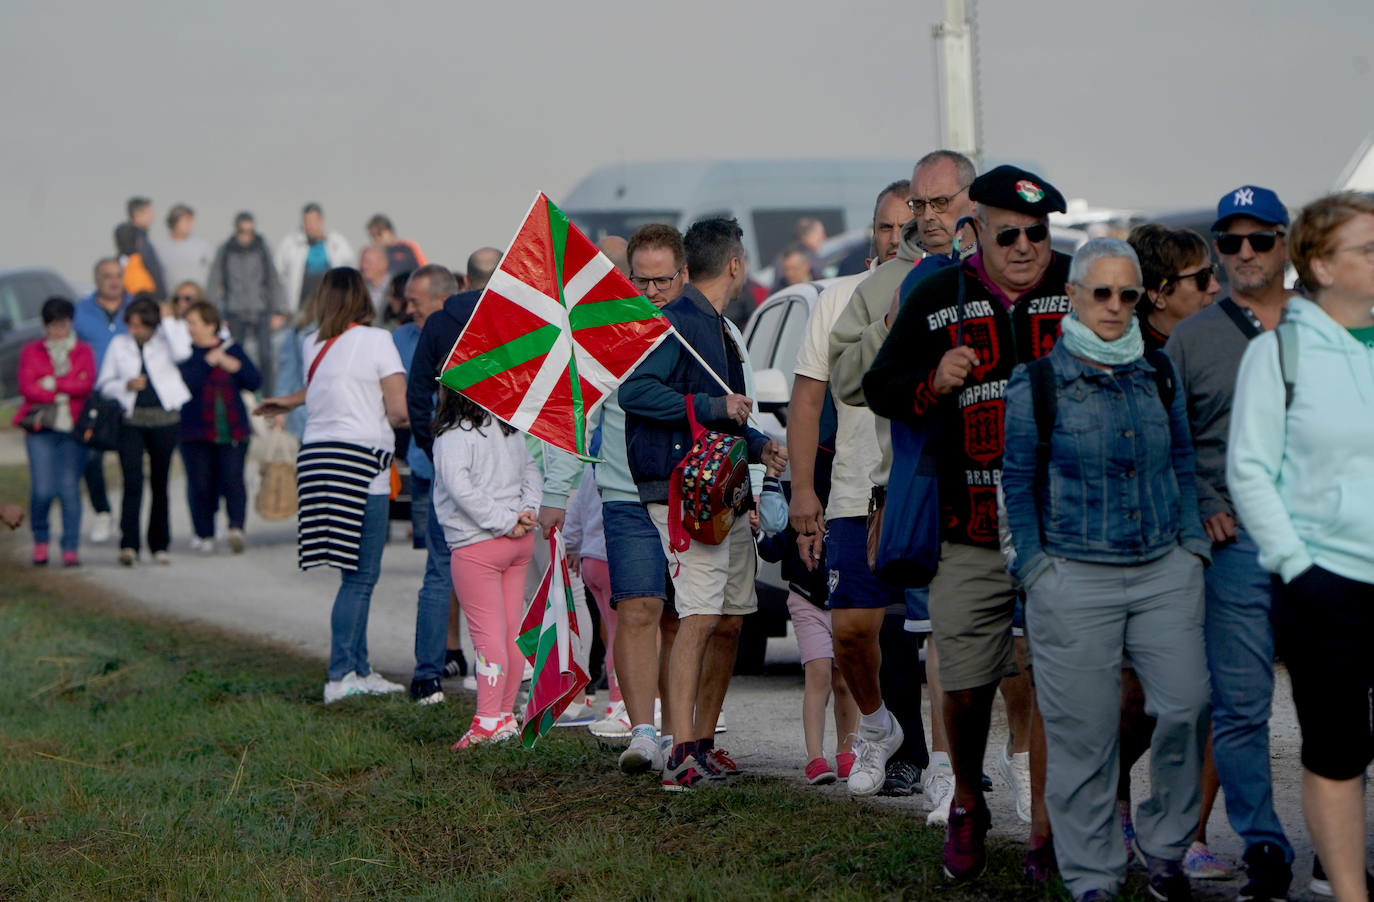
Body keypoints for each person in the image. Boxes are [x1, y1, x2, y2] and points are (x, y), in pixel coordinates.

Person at [863, 165, 1070, 882]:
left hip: (1060, 531)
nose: (1024, 247)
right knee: (969, 684)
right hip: (966, 525)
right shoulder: (936, 293)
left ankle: (1047, 830)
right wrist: (932, 381)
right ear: (974, 230)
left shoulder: (1075, 288)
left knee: (1048, 681)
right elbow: (878, 387)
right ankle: (968, 802)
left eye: (1037, 234)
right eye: (1008, 233)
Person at [1000, 238, 1212, 902]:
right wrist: (1035, 570)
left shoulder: (1160, 373)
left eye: (1128, 294)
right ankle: (1094, 877)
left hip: (1163, 571)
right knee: (1082, 736)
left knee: (1187, 704)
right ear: (1075, 297)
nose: (1115, 307)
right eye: (1102, 293)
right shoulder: (1034, 384)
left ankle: (1167, 848)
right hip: (1072, 577)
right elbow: (1016, 485)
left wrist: (1190, 548)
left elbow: (1182, 463)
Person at [1229, 192, 1374, 902]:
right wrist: (1298, 567)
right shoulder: (1279, 353)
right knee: (1338, 750)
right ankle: (1349, 892)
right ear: (1321, 263)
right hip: (1326, 584)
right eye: (1368, 250)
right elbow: (1249, 469)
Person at [619, 217, 787, 791]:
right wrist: (712, 406)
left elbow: (732, 413)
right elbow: (635, 392)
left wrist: (764, 447)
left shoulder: (719, 327)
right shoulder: (674, 323)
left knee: (733, 620)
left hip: (727, 491)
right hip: (682, 495)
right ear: (736, 265)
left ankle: (705, 742)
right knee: (697, 617)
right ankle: (680, 754)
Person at [1164, 185, 1296, 902]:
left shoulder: (1331, 323)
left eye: (1260, 239)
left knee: (1335, 706)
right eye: (1231, 241)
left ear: (1286, 243)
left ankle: (1339, 843)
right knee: (1241, 705)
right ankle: (1267, 844)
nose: (1245, 253)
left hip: (1328, 545)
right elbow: (1172, 440)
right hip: (1236, 544)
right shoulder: (1192, 338)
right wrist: (1204, 502)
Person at [790, 178, 933, 799]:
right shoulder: (839, 298)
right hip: (855, 492)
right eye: (886, 225)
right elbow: (808, 398)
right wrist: (802, 490)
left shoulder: (951, 291)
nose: (898, 235)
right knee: (854, 633)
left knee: (934, 637)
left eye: (912, 222)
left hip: (928, 489)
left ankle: (946, 768)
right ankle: (878, 729)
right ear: (874, 234)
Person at [1126, 222, 1229, 880]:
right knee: (1132, 703)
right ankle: (1107, 814)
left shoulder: (1221, 343)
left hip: (1210, 549)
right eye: (1200, 279)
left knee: (1212, 696)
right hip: (1137, 555)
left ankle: (1188, 834)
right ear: (1160, 294)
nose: (1215, 285)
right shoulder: (1123, 355)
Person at [255, 267, 408, 704]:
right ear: (363, 298)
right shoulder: (379, 341)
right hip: (360, 462)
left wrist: (287, 400)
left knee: (350, 573)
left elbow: (330, 386)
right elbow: (397, 412)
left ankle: (359, 668)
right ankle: (340, 675)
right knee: (361, 578)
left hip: (317, 458)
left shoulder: (313, 343)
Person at [599, 224, 688, 773]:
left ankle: (682, 731)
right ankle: (643, 731)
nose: (652, 291)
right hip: (623, 489)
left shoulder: (706, 331)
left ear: (682, 274)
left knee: (680, 617)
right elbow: (572, 405)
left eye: (662, 280)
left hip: (690, 493)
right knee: (637, 608)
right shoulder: (605, 335)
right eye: (641, 280)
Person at [404, 248, 501, 702]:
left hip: (451, 453)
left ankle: (426, 676)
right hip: (504, 457)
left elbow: (417, 387)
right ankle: (494, 672)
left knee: (441, 568)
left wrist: (432, 442)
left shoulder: (441, 323)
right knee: (504, 570)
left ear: (465, 280)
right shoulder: (514, 319)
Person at [430, 384, 541, 747]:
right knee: (509, 631)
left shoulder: (452, 437)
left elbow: (461, 492)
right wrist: (526, 513)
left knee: (486, 634)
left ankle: (487, 720)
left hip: (477, 545)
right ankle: (506, 717)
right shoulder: (508, 429)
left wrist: (503, 520)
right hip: (517, 542)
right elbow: (532, 473)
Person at [758, 453, 858, 784]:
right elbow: (773, 549)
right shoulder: (793, 494)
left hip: (845, 598)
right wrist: (763, 531)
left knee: (846, 681)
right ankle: (815, 757)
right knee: (819, 677)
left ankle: (848, 754)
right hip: (806, 598)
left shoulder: (849, 492)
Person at [96, 295, 191, 566]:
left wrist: (169, 319)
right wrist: (125, 385)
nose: (135, 332)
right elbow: (104, 383)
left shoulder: (166, 340)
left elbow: (183, 352)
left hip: (165, 420)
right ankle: (129, 544)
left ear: (152, 325)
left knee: (160, 483)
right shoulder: (119, 344)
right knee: (132, 482)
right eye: (132, 326)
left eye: (141, 327)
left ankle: (159, 544)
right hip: (131, 421)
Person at [14, 297, 95, 567]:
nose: (58, 331)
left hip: (72, 428)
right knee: (43, 489)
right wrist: (62, 387)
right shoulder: (32, 351)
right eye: (53, 325)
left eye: (63, 324)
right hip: (41, 427)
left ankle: (70, 546)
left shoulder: (82, 351)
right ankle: (40, 539)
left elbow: (85, 384)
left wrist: (52, 384)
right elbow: (28, 387)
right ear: (44, 325)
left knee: (69, 488)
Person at [177, 300, 261, 555]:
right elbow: (184, 386)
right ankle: (204, 532)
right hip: (195, 432)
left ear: (210, 325)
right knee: (200, 484)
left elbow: (254, 380)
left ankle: (236, 527)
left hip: (232, 431)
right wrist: (206, 363)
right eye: (187, 323)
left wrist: (230, 363)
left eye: (194, 323)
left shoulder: (233, 349)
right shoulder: (187, 355)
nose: (189, 328)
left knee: (233, 479)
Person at [73, 257, 131, 543]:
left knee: (130, 461)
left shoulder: (135, 308)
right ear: (97, 280)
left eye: (117, 275)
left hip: (129, 396)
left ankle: (128, 521)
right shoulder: (80, 311)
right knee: (92, 458)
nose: (113, 281)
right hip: (95, 398)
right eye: (107, 276)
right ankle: (102, 512)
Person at [209, 212, 286, 394]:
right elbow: (214, 281)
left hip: (260, 309)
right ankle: (239, 394)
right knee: (237, 354)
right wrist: (215, 316)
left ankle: (268, 396)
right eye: (243, 231)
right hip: (235, 311)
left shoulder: (261, 248)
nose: (246, 235)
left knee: (266, 356)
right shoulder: (226, 250)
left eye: (250, 231)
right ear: (236, 230)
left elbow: (273, 279)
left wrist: (279, 310)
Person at [1130, 224, 1221, 350]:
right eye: (1202, 277)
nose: (1215, 287)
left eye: (1212, 271)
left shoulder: (1227, 336)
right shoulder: (1129, 358)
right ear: (1158, 295)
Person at [276, 203, 356, 319]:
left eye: (312, 221)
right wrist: (282, 308)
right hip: (301, 308)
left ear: (321, 220)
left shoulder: (337, 243)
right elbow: (278, 275)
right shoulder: (290, 244)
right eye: (306, 221)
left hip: (331, 307)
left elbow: (350, 271)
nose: (309, 225)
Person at [154, 203, 211, 291]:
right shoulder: (159, 247)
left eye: (191, 220)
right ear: (174, 222)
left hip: (196, 299)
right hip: (171, 298)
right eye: (186, 220)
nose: (190, 224)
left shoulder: (201, 246)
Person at [119, 197, 166, 299]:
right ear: (137, 214)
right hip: (140, 291)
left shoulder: (140, 237)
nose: (152, 217)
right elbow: (151, 266)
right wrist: (162, 296)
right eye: (149, 213)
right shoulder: (135, 238)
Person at [360, 245, 391, 313]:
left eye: (368, 262)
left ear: (383, 264)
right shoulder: (361, 288)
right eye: (362, 262)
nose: (363, 266)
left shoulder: (395, 287)